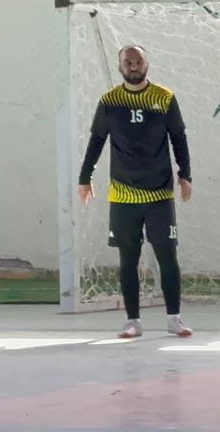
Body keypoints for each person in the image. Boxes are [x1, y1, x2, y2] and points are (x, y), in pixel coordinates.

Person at [77, 45, 194, 339]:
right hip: (123, 196)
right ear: (120, 66)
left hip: (159, 196)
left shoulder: (164, 98)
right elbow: (97, 140)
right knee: (128, 259)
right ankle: (132, 321)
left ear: (146, 63)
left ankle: (174, 318)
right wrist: (84, 177)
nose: (133, 66)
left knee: (167, 256)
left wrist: (185, 174)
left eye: (138, 61)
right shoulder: (110, 101)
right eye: (128, 62)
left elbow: (178, 138)